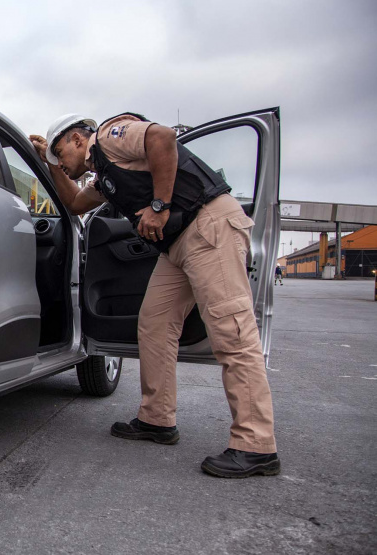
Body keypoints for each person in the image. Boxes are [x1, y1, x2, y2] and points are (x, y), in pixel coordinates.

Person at [30, 113, 279, 478]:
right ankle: (157, 420)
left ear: (76, 140)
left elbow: (162, 137)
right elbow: (76, 205)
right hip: (178, 246)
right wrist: (46, 164)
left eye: (60, 156)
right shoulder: (106, 175)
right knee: (154, 325)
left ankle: (257, 445)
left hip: (208, 225)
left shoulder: (107, 138)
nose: (63, 166)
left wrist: (159, 206)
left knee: (232, 333)